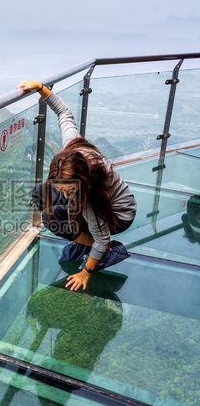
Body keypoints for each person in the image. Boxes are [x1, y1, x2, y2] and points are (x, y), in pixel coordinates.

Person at [16, 80, 137, 292]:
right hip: (95, 200)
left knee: (52, 218)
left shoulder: (91, 196)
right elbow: (64, 112)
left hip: (118, 215)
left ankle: (106, 250)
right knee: (40, 194)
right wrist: (40, 88)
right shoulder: (73, 148)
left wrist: (86, 272)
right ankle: (82, 236)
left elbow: (102, 237)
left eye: (68, 190)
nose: (62, 192)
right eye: (60, 186)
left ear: (81, 183)